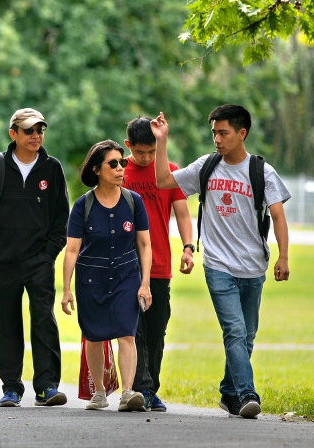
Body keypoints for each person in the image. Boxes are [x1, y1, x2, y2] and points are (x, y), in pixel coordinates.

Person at [151, 106, 292, 419]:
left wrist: (283, 255)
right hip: (217, 264)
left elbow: (278, 215)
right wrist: (162, 140)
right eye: (214, 132)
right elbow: (162, 180)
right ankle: (247, 395)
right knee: (234, 330)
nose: (216, 138)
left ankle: (228, 393)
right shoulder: (207, 166)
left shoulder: (261, 171)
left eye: (223, 132)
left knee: (247, 335)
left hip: (254, 266)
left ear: (241, 133)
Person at [0, 108, 70, 408]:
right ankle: (11, 387)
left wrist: (48, 254)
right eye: (29, 131)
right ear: (14, 134)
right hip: (0, 260)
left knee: (44, 321)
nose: (36, 136)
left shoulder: (52, 168)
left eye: (40, 130)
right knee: (5, 324)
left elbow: (62, 217)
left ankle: (47, 387)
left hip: (39, 261)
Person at [61, 140, 153, 412]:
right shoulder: (82, 205)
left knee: (126, 333)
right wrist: (66, 289)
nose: (120, 167)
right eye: (113, 163)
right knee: (94, 335)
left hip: (127, 276)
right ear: (97, 170)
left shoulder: (133, 201)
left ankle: (127, 392)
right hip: (91, 279)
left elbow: (145, 245)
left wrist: (145, 283)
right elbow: (72, 250)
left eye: (122, 162)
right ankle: (99, 391)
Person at [122, 117, 195, 412]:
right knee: (133, 328)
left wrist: (188, 248)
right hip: (127, 264)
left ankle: (151, 388)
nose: (147, 158)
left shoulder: (169, 172)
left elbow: (183, 214)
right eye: (141, 153)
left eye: (152, 152)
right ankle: (143, 388)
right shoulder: (119, 171)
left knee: (156, 330)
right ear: (129, 146)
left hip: (160, 265)